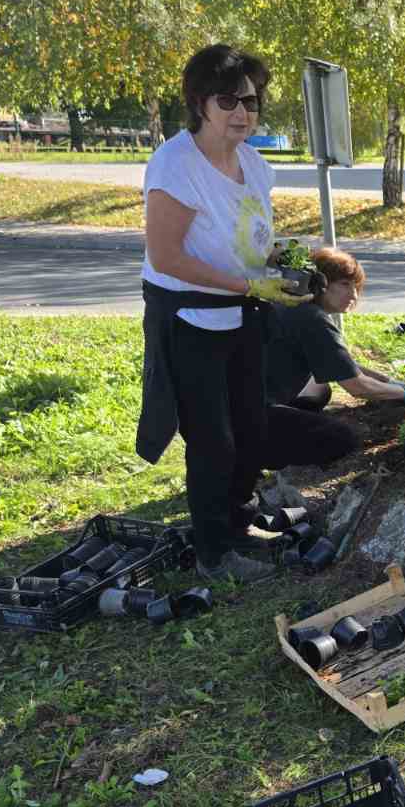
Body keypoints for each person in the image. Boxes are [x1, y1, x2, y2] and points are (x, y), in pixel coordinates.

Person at [135, 43, 313, 583]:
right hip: (190, 319)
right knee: (213, 437)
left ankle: (237, 523)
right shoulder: (176, 164)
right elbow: (167, 257)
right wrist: (249, 283)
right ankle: (214, 553)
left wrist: (288, 258)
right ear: (199, 102)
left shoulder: (254, 164)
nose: (242, 112)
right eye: (228, 100)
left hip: (243, 311)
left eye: (251, 102)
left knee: (249, 425)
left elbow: (251, 238)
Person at [261, 246, 405, 470]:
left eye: (356, 286)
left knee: (320, 390)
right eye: (344, 284)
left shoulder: (293, 304)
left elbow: (341, 364)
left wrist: (390, 383)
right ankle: (261, 457)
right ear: (319, 282)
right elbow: (356, 387)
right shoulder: (312, 319)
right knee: (342, 437)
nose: (354, 295)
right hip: (252, 412)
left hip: (242, 399)